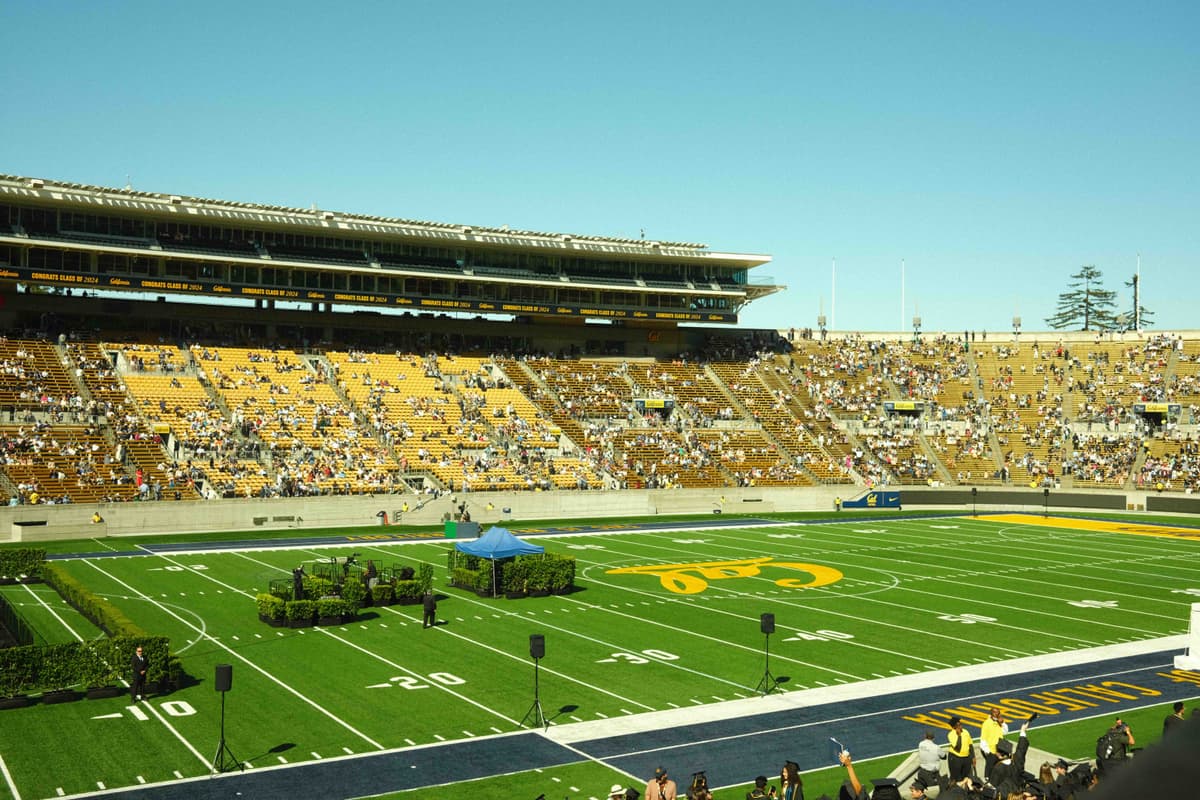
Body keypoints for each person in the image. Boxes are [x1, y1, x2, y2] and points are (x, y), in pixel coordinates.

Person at [979, 707, 1008, 779]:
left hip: (1000, 748)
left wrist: (1002, 723)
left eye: (998, 712)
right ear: (991, 713)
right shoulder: (986, 723)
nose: (996, 714)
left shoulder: (999, 722)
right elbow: (983, 740)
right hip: (990, 750)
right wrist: (989, 752)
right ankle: (988, 779)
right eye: (995, 712)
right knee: (990, 767)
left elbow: (1005, 732)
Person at [945, 716, 974, 783]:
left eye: (961, 724)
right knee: (956, 778)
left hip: (966, 758)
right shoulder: (951, 734)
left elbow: (970, 744)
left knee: (966, 777)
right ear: (954, 727)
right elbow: (958, 747)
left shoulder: (966, 732)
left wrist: (973, 757)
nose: (961, 726)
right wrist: (959, 735)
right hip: (956, 759)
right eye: (958, 725)